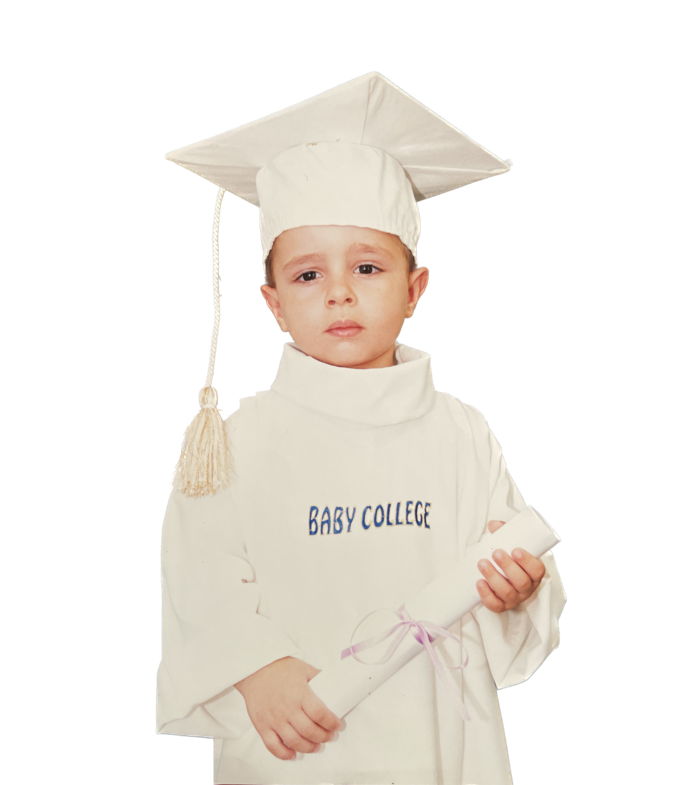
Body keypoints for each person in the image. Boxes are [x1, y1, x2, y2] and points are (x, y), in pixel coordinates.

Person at [156, 71, 566, 785]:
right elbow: (198, 571)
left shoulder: (459, 429)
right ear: (273, 303)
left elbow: (511, 560)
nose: (339, 290)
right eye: (307, 275)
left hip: (442, 732)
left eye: (368, 266)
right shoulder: (242, 438)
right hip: (298, 727)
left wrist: (516, 589)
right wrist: (254, 669)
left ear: (414, 290)